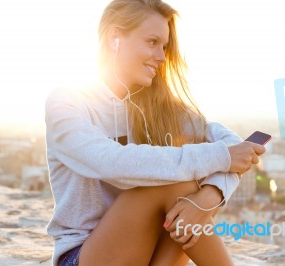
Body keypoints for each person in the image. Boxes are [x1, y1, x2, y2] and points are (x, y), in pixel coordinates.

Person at [45, 0, 266, 265]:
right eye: (152, 42)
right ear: (115, 38)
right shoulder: (67, 101)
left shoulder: (155, 106)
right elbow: (111, 162)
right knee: (166, 184)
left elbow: (231, 144)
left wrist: (210, 196)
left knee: (187, 189)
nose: (161, 57)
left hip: (147, 253)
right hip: (83, 256)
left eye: (164, 47)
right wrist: (222, 159)